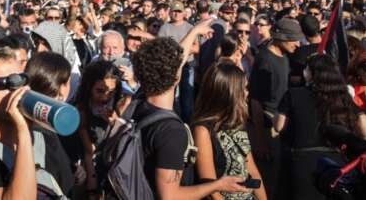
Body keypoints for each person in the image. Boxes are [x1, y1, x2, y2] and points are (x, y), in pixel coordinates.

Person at [129, 36, 248, 199]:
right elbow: (170, 196)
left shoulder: (134, 105)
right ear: (177, 76)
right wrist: (218, 185)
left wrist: (195, 31)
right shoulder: (171, 131)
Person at [0, 46, 73, 198]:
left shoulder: (45, 138)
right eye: (5, 83)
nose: (14, 90)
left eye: (20, 79)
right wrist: (23, 129)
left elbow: (67, 191)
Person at [274, 54, 366, 200]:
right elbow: (364, 127)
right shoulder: (343, 97)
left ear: (311, 73)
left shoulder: (294, 93)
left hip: (301, 162)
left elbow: (279, 126)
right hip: (335, 165)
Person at [192, 62, 267, 200]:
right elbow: (210, 189)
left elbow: (252, 170)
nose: (247, 93)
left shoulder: (236, 123)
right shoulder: (202, 130)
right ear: (228, 93)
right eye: (243, 89)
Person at [248, 18, 302, 197]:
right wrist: (260, 140)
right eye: (293, 39)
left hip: (280, 124)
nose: (298, 44)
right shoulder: (265, 60)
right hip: (268, 126)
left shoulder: (284, 55)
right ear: (281, 38)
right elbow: (256, 101)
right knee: (268, 179)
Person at [74, 60, 128, 194]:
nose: (105, 97)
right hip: (89, 167)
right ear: (89, 87)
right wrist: (92, 187)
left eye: (111, 92)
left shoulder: (121, 103)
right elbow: (89, 151)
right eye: (100, 91)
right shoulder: (82, 109)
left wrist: (116, 123)